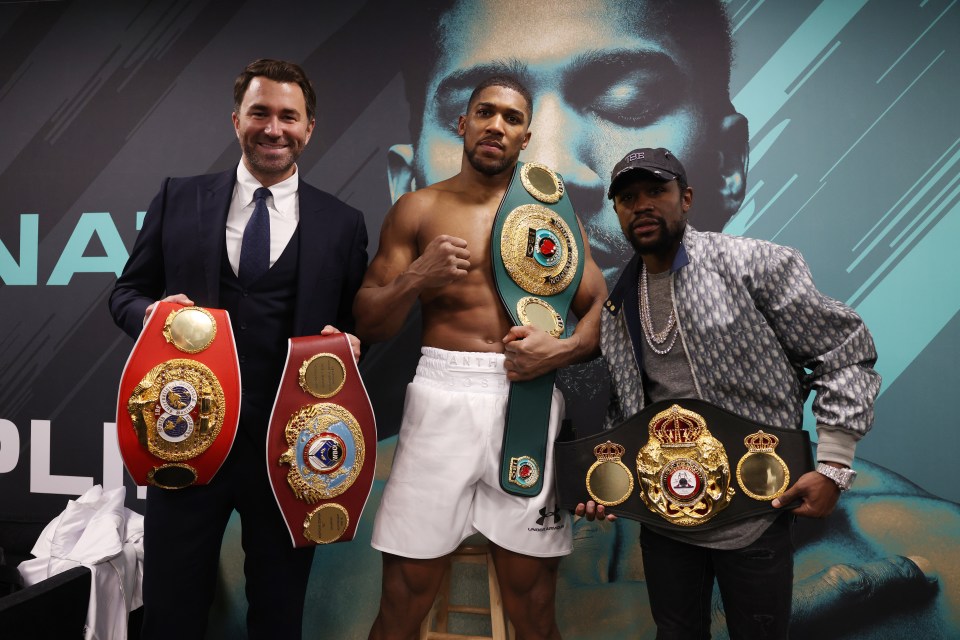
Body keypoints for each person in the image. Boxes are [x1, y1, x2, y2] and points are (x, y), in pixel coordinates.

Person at [109, 58, 368, 639]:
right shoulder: (180, 197)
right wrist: (151, 315)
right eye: (260, 113)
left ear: (309, 129)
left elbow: (356, 323)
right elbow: (125, 292)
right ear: (236, 121)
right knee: (172, 612)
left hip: (291, 451)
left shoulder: (343, 223)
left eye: (287, 116)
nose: (273, 128)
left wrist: (353, 343)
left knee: (279, 615)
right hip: (185, 439)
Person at [576, 147, 881, 638]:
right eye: (628, 197)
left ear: (687, 198)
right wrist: (609, 485)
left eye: (657, 191)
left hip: (756, 507)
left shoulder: (754, 265)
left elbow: (845, 349)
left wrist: (834, 466)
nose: (642, 206)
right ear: (616, 211)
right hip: (665, 517)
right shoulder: (617, 302)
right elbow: (628, 411)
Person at [354, 75, 606, 640]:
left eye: (512, 119)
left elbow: (601, 313)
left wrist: (560, 350)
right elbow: (368, 320)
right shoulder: (418, 208)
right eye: (485, 113)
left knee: (535, 604)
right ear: (462, 124)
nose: (497, 125)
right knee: (402, 597)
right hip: (442, 392)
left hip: (530, 398)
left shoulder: (553, 217)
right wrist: (417, 277)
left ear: (526, 137)